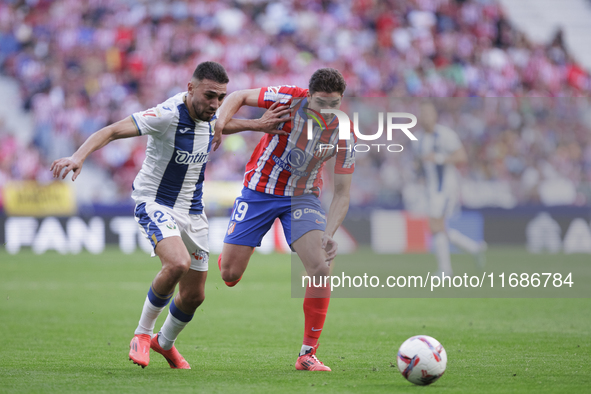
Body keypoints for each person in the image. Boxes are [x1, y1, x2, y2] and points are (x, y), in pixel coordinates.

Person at [50, 61, 287, 370]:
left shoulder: (211, 112)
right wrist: (78, 156)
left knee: (193, 297)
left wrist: (257, 125)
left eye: (221, 97)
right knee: (177, 263)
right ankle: (142, 334)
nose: (216, 104)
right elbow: (111, 130)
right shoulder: (167, 115)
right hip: (155, 202)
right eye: (210, 96)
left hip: (193, 210)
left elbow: (220, 123)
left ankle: (165, 343)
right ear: (190, 89)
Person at [213, 68, 355, 372]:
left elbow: (342, 192)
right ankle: (229, 254)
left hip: (302, 198)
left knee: (321, 266)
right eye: (321, 103)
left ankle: (308, 354)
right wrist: (219, 124)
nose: (327, 111)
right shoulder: (288, 98)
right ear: (308, 95)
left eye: (334, 104)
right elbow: (238, 96)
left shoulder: (344, 132)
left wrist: (329, 233)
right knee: (229, 275)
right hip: (259, 191)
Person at [413, 102, 486, 276]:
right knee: (437, 227)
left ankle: (445, 270)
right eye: (423, 114)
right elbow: (420, 164)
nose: (426, 118)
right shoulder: (418, 139)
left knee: (435, 224)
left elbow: (461, 156)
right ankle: (474, 248)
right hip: (431, 189)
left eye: (429, 114)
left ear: (435, 116)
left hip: (445, 187)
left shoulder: (445, 135)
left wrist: (438, 158)